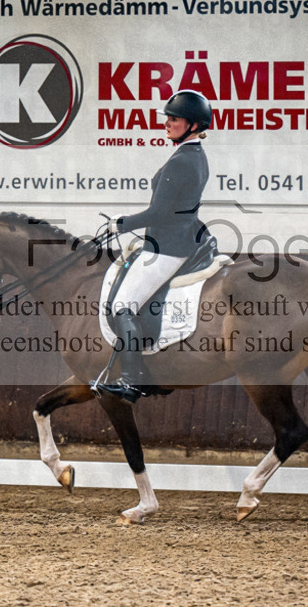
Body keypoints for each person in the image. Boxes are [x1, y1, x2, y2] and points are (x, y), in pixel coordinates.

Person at [93, 89, 213, 403]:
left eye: (174, 119)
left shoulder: (184, 160)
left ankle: (132, 380)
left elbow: (159, 213)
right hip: (173, 240)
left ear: (192, 124)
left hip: (168, 248)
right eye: (168, 118)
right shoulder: (193, 155)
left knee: (122, 307)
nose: (167, 123)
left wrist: (121, 223)